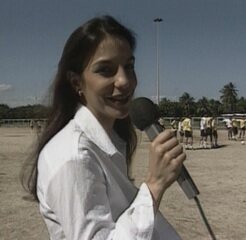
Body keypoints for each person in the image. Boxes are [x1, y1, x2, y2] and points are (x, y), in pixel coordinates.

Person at [20, 15, 185, 240]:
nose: (125, 81)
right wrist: (154, 185)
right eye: (106, 70)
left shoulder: (111, 139)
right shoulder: (74, 156)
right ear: (77, 82)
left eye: (129, 66)